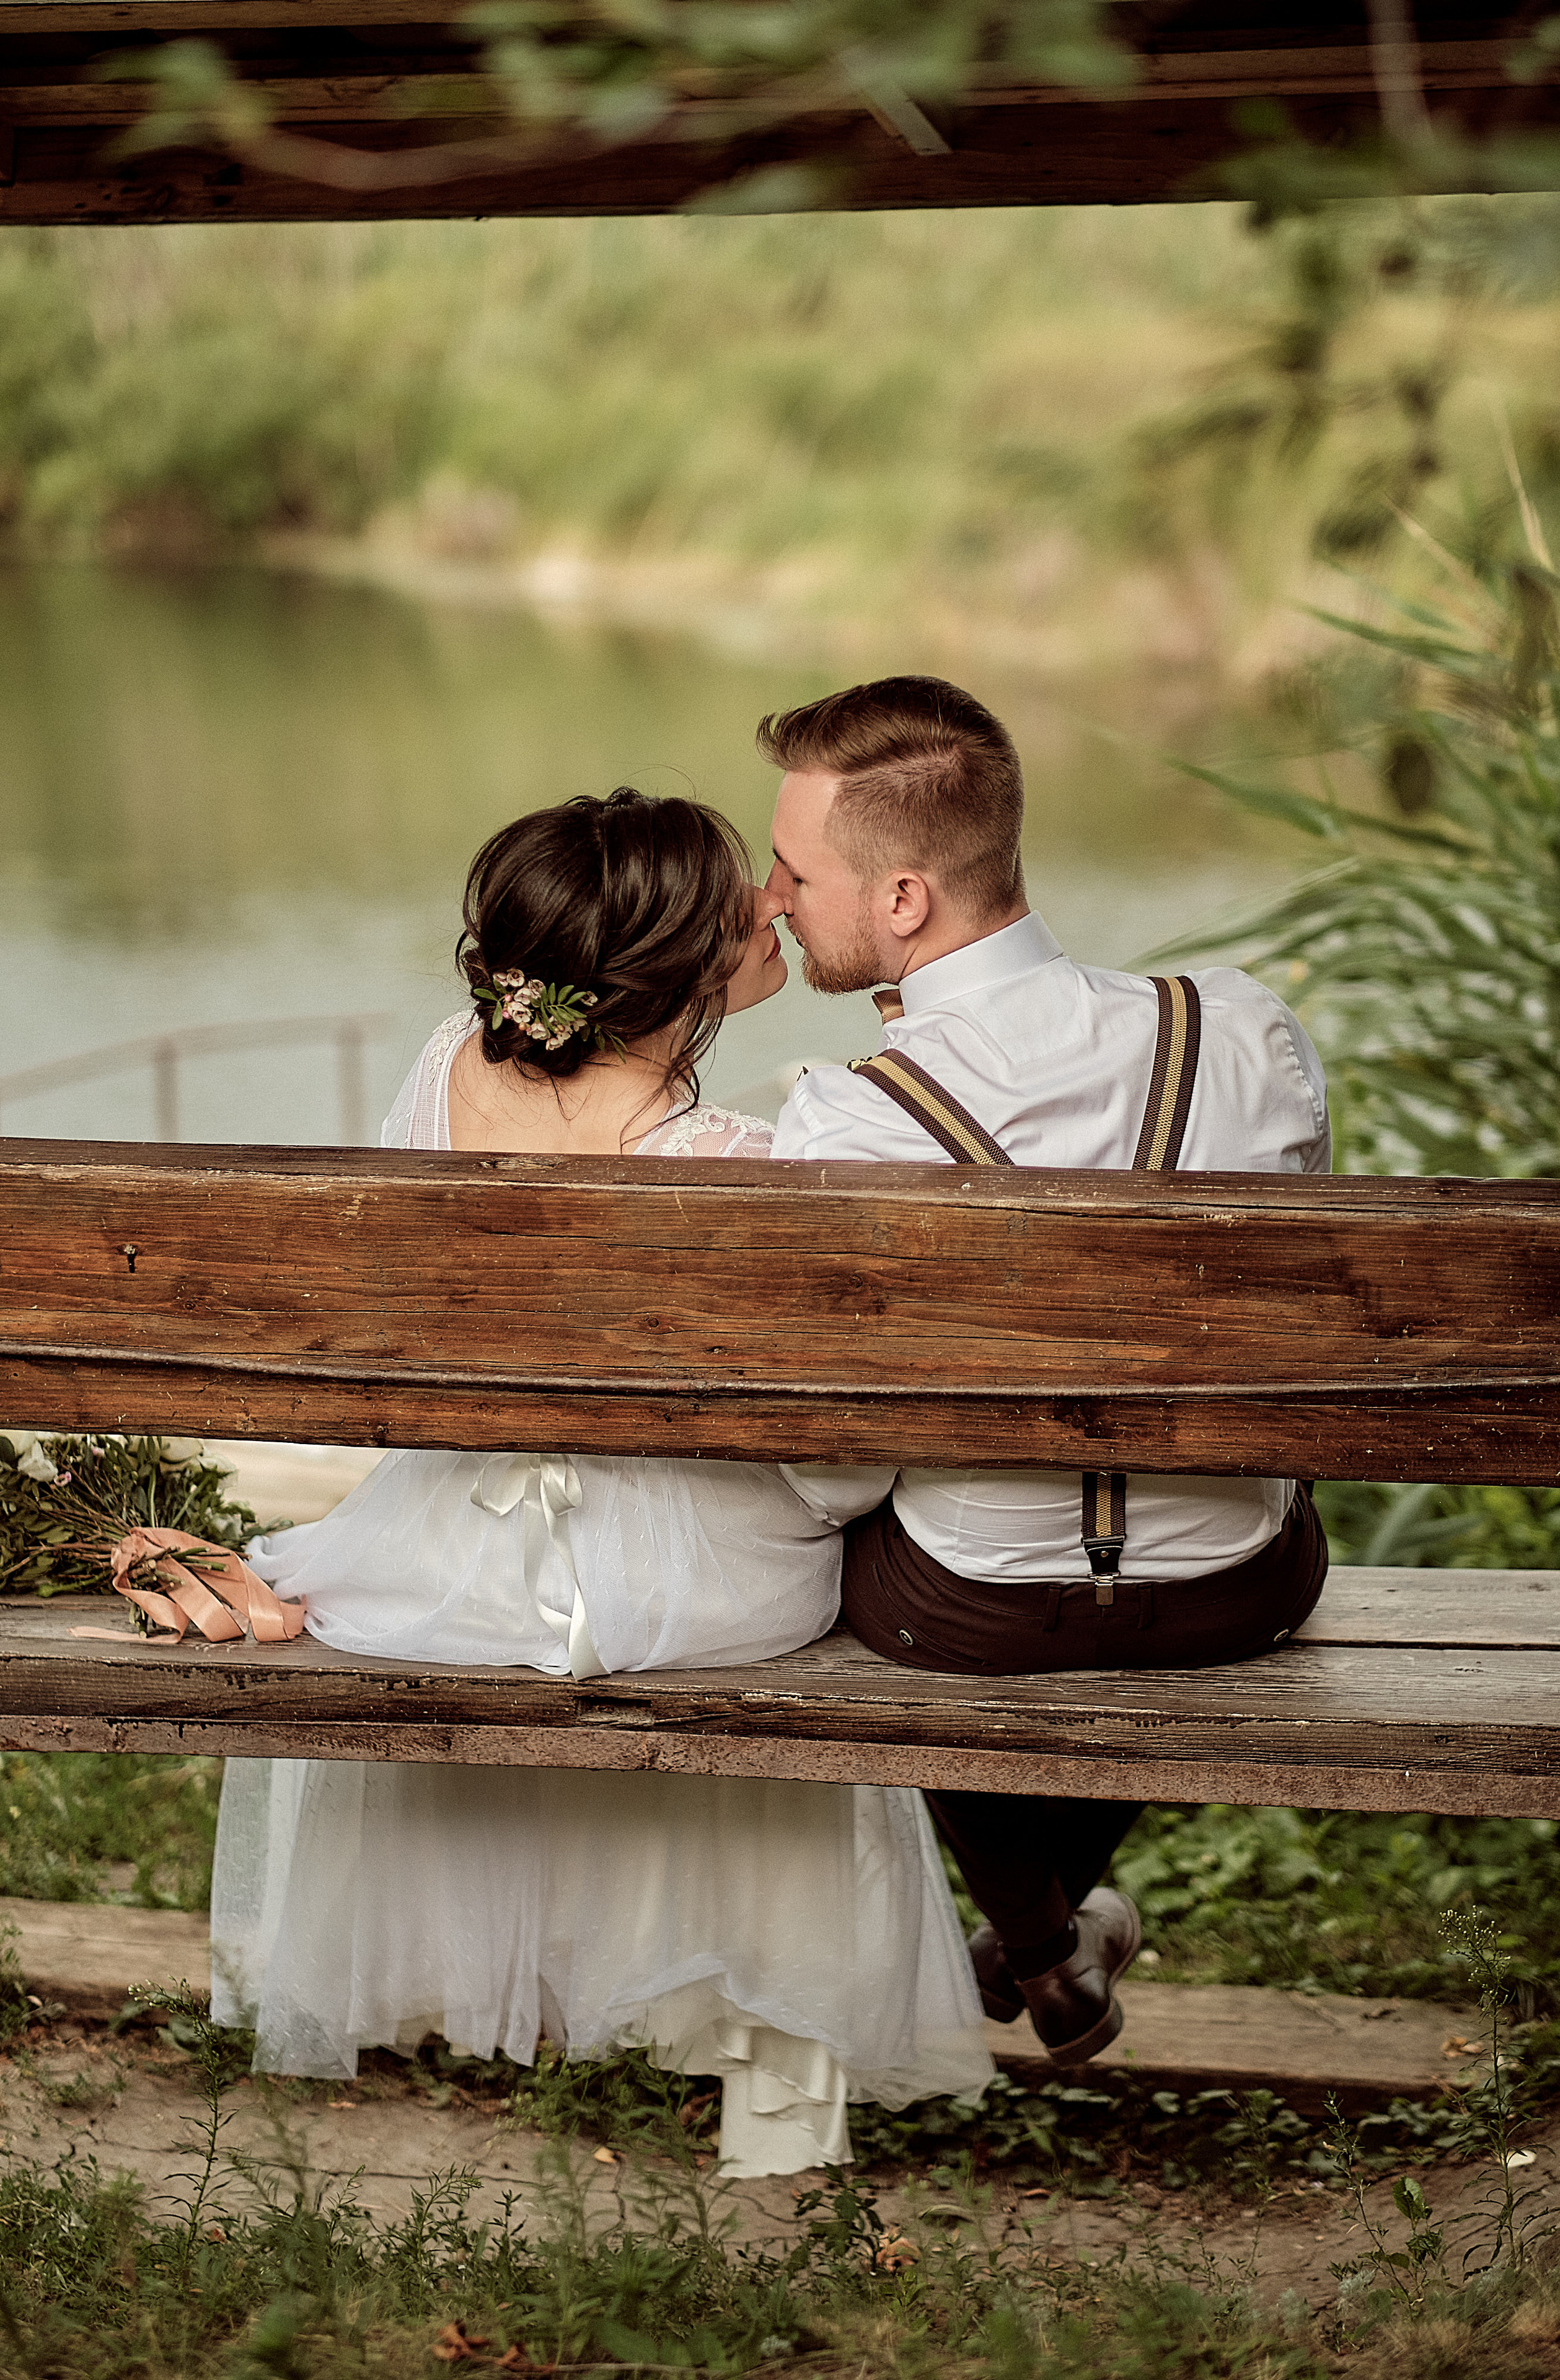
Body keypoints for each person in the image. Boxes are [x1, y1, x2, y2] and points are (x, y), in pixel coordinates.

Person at [210, 787, 992, 2177]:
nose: (769, 902)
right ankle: (777, 2109)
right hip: (690, 1603)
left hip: (441, 1577)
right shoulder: (748, 1165)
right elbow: (837, 1460)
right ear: (679, 977)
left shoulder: (450, 1062)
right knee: (812, 1583)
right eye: (736, 899)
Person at [762, 677, 1331, 2069]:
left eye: (793, 873)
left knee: (860, 1551)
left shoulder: (847, 1115)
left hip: (961, 1614)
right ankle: (1043, 1944)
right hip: (1237, 1588)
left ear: (902, 900)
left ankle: (1038, 1944)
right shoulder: (1238, 1028)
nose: (771, 899)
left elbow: (829, 1459)